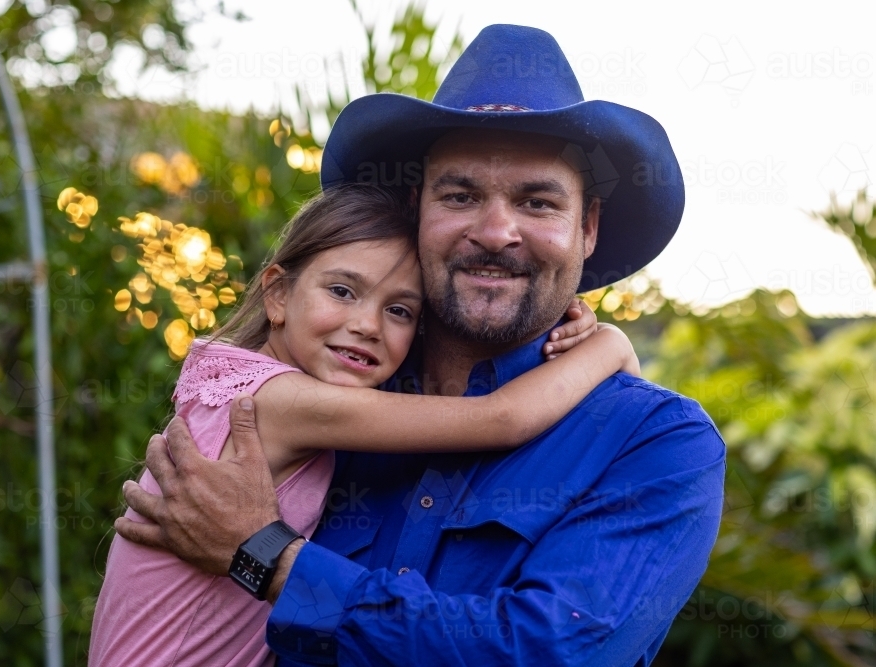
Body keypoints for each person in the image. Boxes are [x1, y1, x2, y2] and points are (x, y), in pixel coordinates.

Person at [115, 24, 726, 666]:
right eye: (460, 195)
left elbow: (542, 653)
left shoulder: (655, 442)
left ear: (588, 228)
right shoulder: (334, 387)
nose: (495, 232)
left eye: (538, 202)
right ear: (418, 211)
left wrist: (268, 560)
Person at [90, 183, 639, 666]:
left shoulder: (249, 372)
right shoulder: (281, 402)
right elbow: (502, 418)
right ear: (278, 293)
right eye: (342, 291)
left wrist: (560, 314)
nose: (366, 326)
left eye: (400, 311)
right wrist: (611, 345)